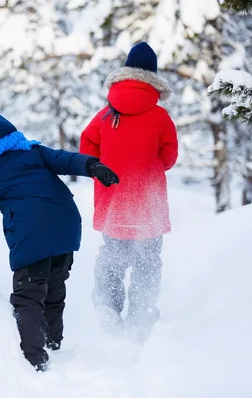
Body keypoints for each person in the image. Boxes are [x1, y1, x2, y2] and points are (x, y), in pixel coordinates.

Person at [0, 98, 119, 371]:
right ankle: (54, 345)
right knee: (54, 290)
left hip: (31, 238)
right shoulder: (32, 151)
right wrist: (92, 166)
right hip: (66, 227)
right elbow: (65, 159)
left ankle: (35, 361)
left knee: (28, 297)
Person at [79, 42, 179, 341]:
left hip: (113, 201)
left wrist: (104, 168)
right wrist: (149, 168)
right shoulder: (160, 117)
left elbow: (87, 148)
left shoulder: (105, 114)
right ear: (153, 79)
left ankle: (108, 307)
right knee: (147, 261)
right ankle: (141, 316)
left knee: (112, 255)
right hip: (147, 203)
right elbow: (170, 156)